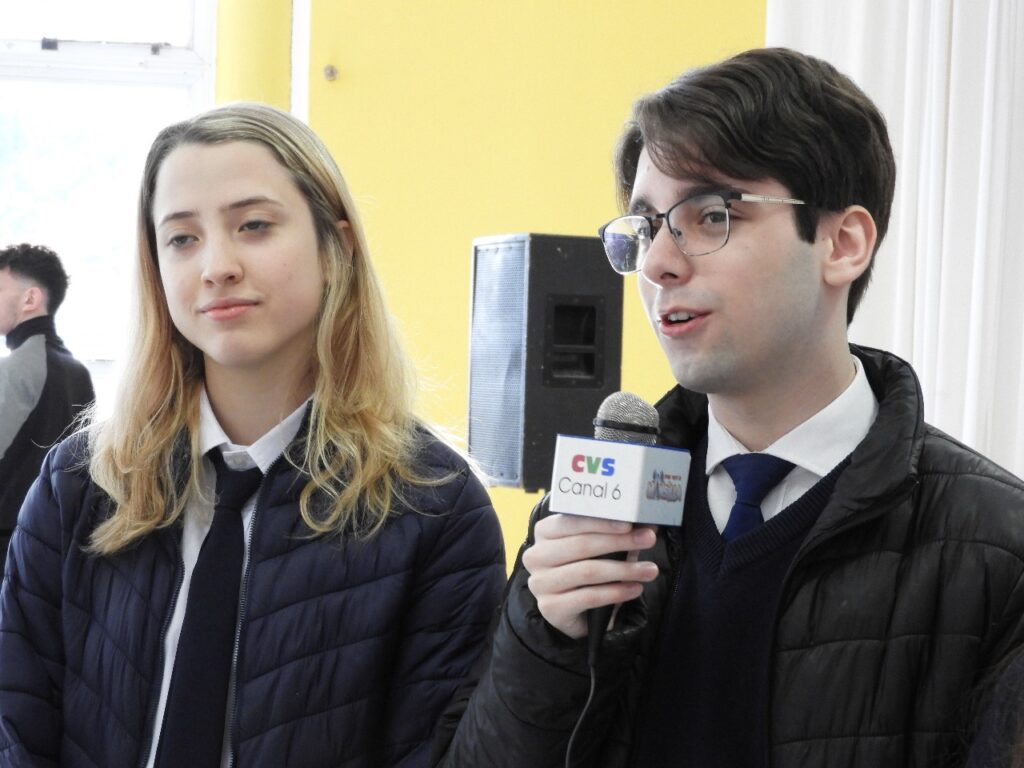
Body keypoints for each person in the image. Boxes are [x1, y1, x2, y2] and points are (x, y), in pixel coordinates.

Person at [435, 48, 1024, 767]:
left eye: (711, 215)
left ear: (842, 244)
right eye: (646, 227)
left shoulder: (997, 549)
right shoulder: (591, 513)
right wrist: (547, 645)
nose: (658, 264)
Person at [0, 103, 506, 767]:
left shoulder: (436, 505)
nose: (217, 266)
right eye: (182, 238)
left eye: (254, 226)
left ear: (337, 248)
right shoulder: (81, 480)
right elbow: (16, 725)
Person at [0, 243, 94, 569]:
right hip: (55, 551)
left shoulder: (15, 370)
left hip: (8, 552)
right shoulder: (77, 370)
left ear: (30, 299)